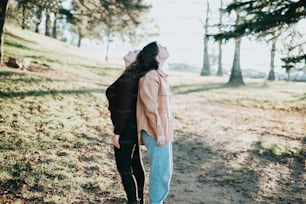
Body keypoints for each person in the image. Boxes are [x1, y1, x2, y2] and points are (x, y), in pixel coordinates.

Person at [136, 41, 174, 204]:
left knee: (165, 170)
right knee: (160, 171)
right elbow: (151, 107)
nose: (166, 47)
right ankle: (156, 202)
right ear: (156, 54)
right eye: (162, 46)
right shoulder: (151, 76)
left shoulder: (159, 75)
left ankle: (157, 201)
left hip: (162, 131)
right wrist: (159, 132)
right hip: (155, 131)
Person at [105, 50, 145, 204]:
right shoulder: (132, 74)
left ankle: (133, 201)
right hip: (132, 127)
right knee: (135, 163)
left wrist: (117, 132)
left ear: (138, 58)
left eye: (135, 51)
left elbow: (124, 108)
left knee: (124, 168)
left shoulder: (129, 77)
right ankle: (139, 200)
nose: (130, 51)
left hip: (126, 129)